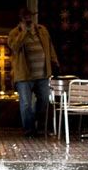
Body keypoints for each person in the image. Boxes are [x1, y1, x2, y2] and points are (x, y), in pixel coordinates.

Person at [8, 7, 59, 137]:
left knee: (44, 100)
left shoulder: (42, 30)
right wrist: (24, 32)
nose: (29, 19)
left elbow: (49, 46)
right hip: (24, 76)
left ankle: (36, 123)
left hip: (42, 74)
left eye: (30, 16)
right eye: (26, 17)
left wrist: (54, 60)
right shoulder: (14, 33)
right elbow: (14, 47)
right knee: (25, 104)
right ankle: (29, 130)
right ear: (21, 19)